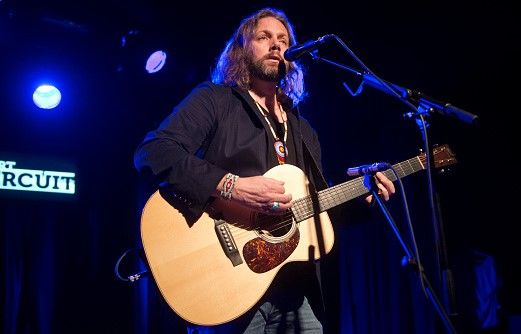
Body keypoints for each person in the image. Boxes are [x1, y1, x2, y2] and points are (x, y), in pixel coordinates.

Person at [134, 7, 395, 333]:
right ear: (243, 49)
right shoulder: (215, 100)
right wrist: (232, 186)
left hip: (296, 295)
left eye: (283, 40)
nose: (276, 45)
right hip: (226, 288)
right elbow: (154, 152)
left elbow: (314, 212)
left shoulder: (304, 129)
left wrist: (361, 196)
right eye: (264, 37)